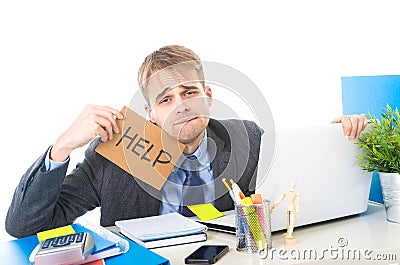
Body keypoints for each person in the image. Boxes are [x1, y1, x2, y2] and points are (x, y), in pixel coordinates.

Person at [5, 45, 368, 238]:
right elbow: (22, 224)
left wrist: (337, 138)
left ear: (208, 95)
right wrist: (61, 147)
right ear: (150, 113)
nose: (181, 106)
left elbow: (293, 196)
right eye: (165, 99)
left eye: (189, 91)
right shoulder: (110, 159)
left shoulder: (246, 139)